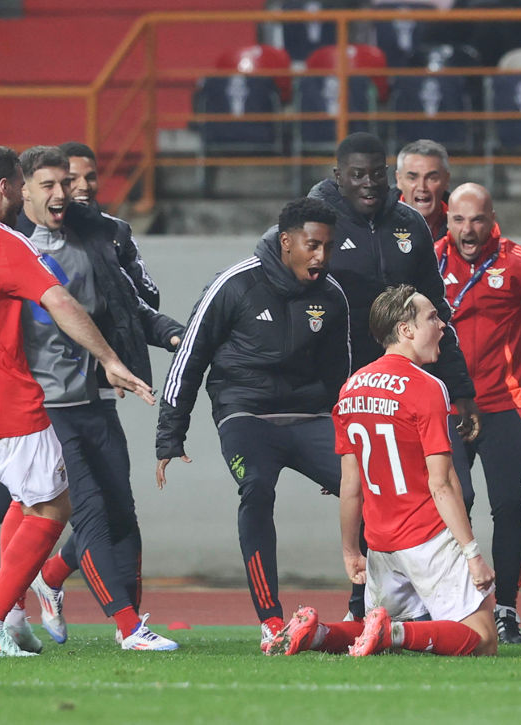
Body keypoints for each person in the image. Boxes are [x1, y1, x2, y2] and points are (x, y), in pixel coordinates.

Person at [0, 145, 177, 651]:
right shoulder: (10, 244)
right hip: (38, 404)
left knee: (114, 511)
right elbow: (58, 305)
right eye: (54, 183)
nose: (73, 190)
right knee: (76, 509)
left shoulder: (98, 235)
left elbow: (134, 304)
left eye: (78, 180)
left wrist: (164, 336)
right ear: (18, 187)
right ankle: (126, 627)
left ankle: (31, 594)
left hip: (90, 397)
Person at [156, 197, 351, 649]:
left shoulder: (331, 295)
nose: (322, 257)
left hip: (310, 416)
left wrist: (347, 446)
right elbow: (191, 356)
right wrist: (170, 435)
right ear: (286, 242)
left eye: (328, 247)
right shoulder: (234, 284)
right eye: (312, 246)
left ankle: (364, 605)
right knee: (257, 488)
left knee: (369, 489)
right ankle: (270, 621)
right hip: (244, 414)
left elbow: (340, 376)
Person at [266, 284, 497, 658]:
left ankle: (318, 633)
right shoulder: (427, 386)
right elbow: (442, 483)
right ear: (406, 330)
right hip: (427, 537)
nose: (441, 326)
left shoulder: (350, 387)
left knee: (371, 629)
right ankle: (393, 633)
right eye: (432, 318)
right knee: (484, 638)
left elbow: (350, 484)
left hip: (381, 544)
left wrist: (350, 550)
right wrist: (472, 553)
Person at [308, 132, 478, 619]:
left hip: (409, 377)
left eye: (376, 173)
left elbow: (436, 310)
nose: (368, 183)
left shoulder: (408, 224)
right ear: (337, 176)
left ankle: (407, 602)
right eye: (356, 174)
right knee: (365, 488)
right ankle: (364, 601)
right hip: (350, 386)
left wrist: (461, 387)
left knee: (447, 487)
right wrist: (321, 400)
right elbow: (294, 298)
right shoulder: (315, 220)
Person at [435, 182, 521, 644]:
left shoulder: (519, 263)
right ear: (448, 218)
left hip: (504, 405)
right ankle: (452, 603)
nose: (467, 229)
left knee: (510, 506)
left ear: (492, 217)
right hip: (448, 405)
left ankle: (508, 611)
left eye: (476, 219)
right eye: (458, 220)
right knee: (456, 502)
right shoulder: (429, 260)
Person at [58, 141, 160, 309]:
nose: (83, 186)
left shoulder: (117, 230)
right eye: (72, 179)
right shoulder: (42, 230)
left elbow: (149, 297)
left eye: (90, 178)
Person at [394, 139, 450, 242]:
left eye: (432, 178)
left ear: (446, 180)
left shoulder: (465, 224)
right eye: (412, 178)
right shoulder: (375, 222)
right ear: (399, 180)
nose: (422, 187)